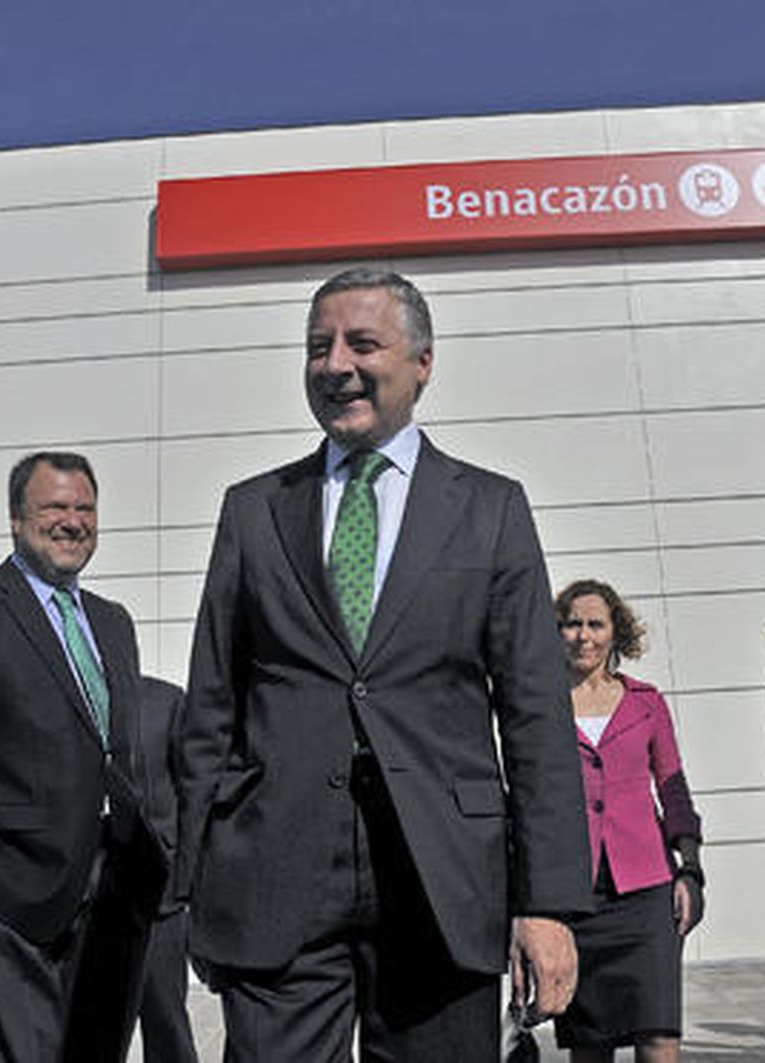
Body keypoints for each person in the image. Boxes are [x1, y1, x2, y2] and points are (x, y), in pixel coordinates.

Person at [177, 268, 594, 1062]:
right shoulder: (253, 510)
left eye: (362, 344)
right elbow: (211, 708)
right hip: (274, 872)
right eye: (318, 347)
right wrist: (191, 883)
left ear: (423, 362)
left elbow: (536, 715)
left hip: (443, 879)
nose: (335, 364)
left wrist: (548, 904)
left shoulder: (491, 508)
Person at [0, 451, 168, 1063]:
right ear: (16, 520)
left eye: (85, 508)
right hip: (13, 888)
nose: (73, 521)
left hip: (116, 889)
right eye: (55, 507)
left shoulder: (113, 622)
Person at [552, 579, 703, 1063]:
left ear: (615, 632)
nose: (584, 635)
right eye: (572, 624)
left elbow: (673, 790)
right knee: (589, 1045)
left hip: (647, 893)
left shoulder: (646, 701)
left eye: (596, 624)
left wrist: (690, 869)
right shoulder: (540, 706)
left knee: (659, 1036)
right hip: (575, 897)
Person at [138, 674, 200, 1063]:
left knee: (165, 1019)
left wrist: (184, 875)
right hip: (82, 891)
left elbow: (192, 789)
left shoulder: (166, 701)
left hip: (158, 896)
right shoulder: (61, 700)